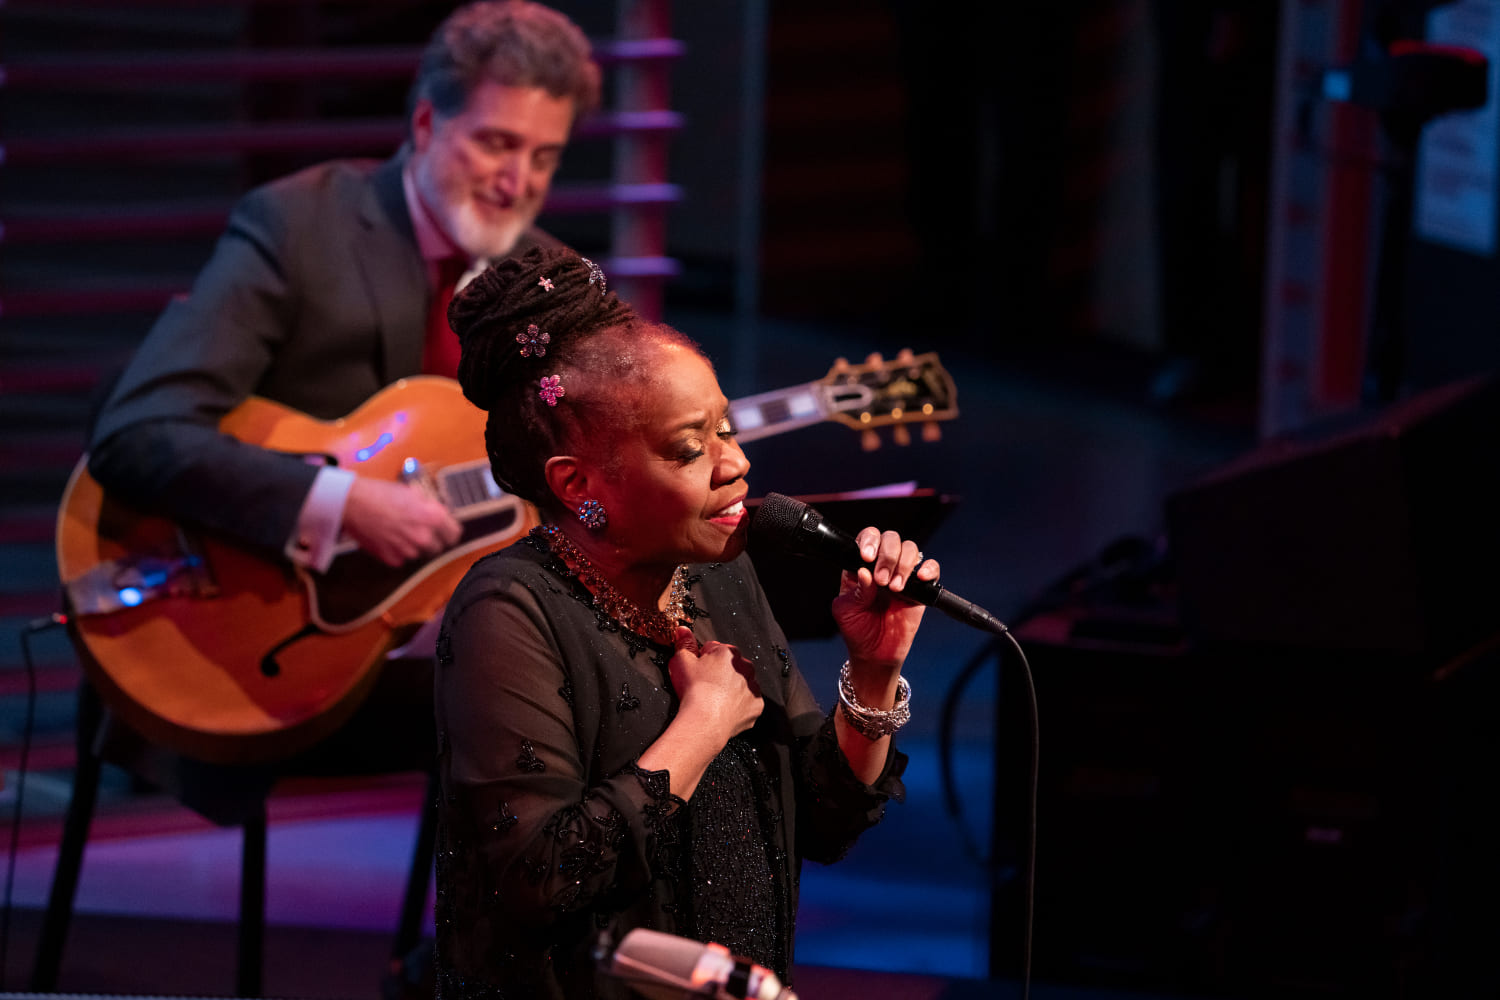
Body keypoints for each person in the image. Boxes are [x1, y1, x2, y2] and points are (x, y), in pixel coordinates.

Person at [72, 2, 599, 809]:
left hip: (455, 642)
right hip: (262, 642)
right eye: (496, 142)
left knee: (605, 695)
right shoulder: (299, 225)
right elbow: (138, 433)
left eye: (544, 157)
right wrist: (339, 503)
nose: (516, 181)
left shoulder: (552, 285)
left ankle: (501, 941)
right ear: (425, 123)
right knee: (535, 716)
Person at [434, 245, 939, 999]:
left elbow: (825, 825)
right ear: (579, 485)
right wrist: (702, 726)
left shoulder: (720, 576)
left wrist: (874, 671)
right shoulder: (507, 610)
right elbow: (538, 881)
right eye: (689, 449)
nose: (733, 464)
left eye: (728, 431)